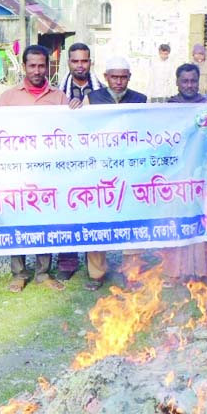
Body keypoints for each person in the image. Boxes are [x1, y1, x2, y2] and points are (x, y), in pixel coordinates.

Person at [0, 44, 69, 293]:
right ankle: (19, 273)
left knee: (45, 221)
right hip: (17, 173)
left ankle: (43, 272)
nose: (37, 70)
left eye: (41, 65)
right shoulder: (8, 97)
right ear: (24, 66)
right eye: (32, 65)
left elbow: (74, 130)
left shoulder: (59, 98)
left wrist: (78, 109)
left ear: (48, 66)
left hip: (48, 174)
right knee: (17, 219)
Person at [84, 57, 147, 289]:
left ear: (129, 78)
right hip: (100, 172)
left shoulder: (140, 100)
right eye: (114, 77)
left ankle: (132, 273)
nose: (119, 81)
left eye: (123, 77)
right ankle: (96, 273)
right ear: (106, 77)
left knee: (131, 220)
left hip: (130, 172)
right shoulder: (92, 99)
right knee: (98, 221)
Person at [55, 42, 104, 281]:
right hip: (66, 162)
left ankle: (96, 269)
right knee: (65, 212)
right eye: (75, 61)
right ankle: (67, 262)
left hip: (94, 163)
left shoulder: (102, 92)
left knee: (95, 214)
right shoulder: (57, 94)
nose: (80, 65)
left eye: (84, 61)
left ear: (90, 63)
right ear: (69, 63)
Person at [161, 63, 207, 281]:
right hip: (176, 177)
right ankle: (175, 271)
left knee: (199, 221)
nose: (189, 85)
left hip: (201, 176)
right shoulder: (169, 108)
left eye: (193, 81)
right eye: (185, 81)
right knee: (176, 222)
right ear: (177, 82)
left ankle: (199, 271)